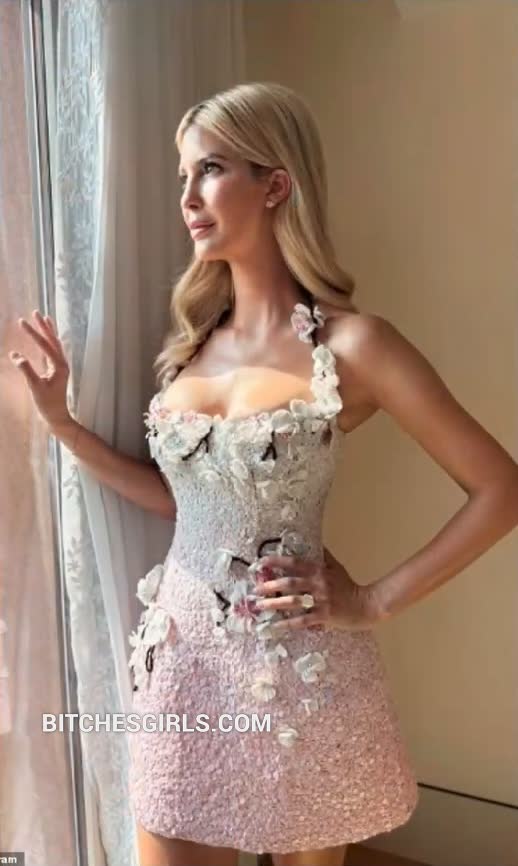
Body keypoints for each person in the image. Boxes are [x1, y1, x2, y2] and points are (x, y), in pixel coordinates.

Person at [10, 81, 518, 866]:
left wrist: (373, 600)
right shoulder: (190, 348)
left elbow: (500, 489)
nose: (188, 197)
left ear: (275, 184)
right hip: (182, 669)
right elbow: (185, 506)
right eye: (183, 176)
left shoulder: (354, 348)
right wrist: (62, 426)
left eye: (210, 170)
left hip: (297, 674)